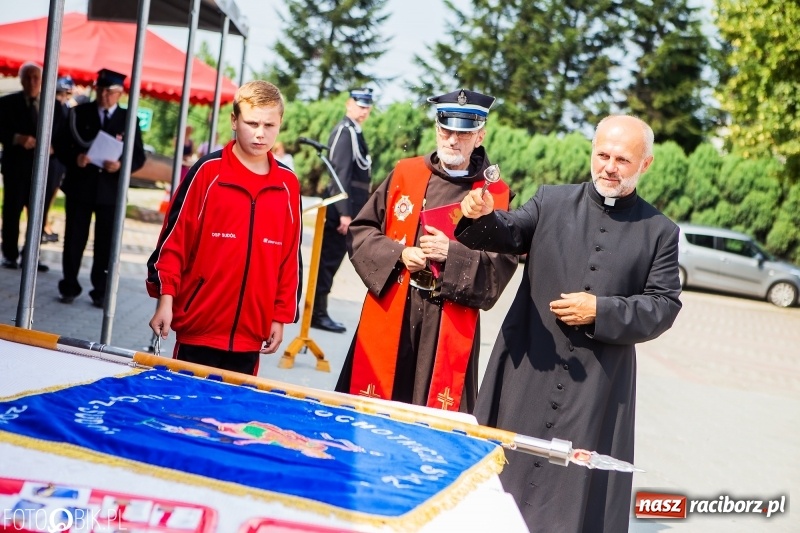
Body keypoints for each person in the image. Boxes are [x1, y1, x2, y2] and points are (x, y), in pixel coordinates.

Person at [456, 114, 683, 532]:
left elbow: (664, 305)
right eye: (602, 155)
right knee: (503, 480)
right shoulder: (551, 200)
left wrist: (603, 310)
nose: (609, 167)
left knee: (571, 496)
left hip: (597, 385)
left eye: (622, 159)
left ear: (645, 164)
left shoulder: (660, 232)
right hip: (528, 367)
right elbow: (509, 231)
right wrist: (484, 214)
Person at [334, 89, 519, 413]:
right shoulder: (406, 174)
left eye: (463, 133)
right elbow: (362, 231)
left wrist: (453, 255)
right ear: (436, 129)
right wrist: (398, 254)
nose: (452, 140)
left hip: (448, 320)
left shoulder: (496, 195)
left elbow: (500, 267)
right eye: (446, 130)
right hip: (395, 307)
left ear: (480, 136)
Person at [146, 80, 302, 376]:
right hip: (198, 329)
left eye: (269, 125)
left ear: (280, 123)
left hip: (250, 337)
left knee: (231, 422)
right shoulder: (207, 173)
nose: (260, 133)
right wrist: (165, 299)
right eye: (251, 122)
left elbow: (289, 260)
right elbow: (174, 242)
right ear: (234, 120)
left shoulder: (288, 185)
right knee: (182, 414)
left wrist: (279, 318)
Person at [55, 68, 146, 307]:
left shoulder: (129, 119)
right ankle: (69, 286)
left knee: (106, 243)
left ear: (120, 94)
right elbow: (61, 144)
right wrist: (76, 158)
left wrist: (121, 165)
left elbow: (138, 157)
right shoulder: (79, 113)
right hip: (80, 187)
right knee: (74, 239)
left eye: (110, 92)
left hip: (110, 191)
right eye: (101, 90)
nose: (105, 96)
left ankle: (101, 291)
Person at [310, 88, 374, 333]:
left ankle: (319, 311)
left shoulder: (355, 132)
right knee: (327, 263)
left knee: (331, 263)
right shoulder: (344, 132)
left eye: (367, 107)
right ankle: (317, 312)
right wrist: (345, 212)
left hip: (348, 210)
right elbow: (339, 176)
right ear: (349, 104)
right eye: (360, 106)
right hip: (340, 212)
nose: (364, 111)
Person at [0, 62, 64, 272]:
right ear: (21, 80)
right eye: (27, 77)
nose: (32, 82)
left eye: (36, 78)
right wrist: (16, 138)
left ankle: (31, 256)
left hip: (45, 170)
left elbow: (64, 135)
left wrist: (54, 147)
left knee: (39, 214)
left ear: (43, 81)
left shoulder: (55, 106)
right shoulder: (7, 103)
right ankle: (9, 255)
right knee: (12, 211)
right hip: (16, 168)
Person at [41, 76, 75, 244]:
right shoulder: (49, 107)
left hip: (56, 161)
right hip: (42, 159)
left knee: (47, 199)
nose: (63, 97)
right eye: (60, 93)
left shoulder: (67, 110)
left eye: (67, 94)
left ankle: (41, 231)